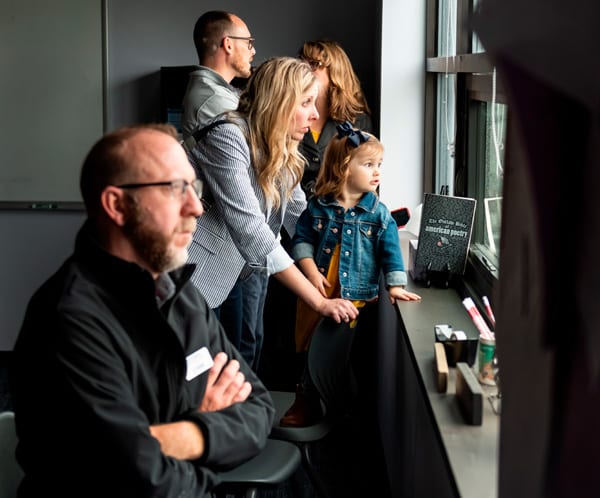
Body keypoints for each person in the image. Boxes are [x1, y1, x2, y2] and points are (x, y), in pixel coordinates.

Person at [9, 124, 274, 497]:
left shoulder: (181, 294)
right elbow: (145, 482)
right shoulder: (68, 321)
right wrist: (208, 427)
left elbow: (258, 409)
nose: (197, 207)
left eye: (194, 187)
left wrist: (185, 433)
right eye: (175, 188)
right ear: (117, 205)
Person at [186, 57, 359, 372]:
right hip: (189, 279)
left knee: (232, 366)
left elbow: (300, 217)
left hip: (230, 274)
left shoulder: (281, 146)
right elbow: (251, 229)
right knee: (196, 379)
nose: (316, 114)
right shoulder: (228, 136)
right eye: (306, 102)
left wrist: (355, 238)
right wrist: (317, 301)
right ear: (280, 101)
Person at [280, 121, 421, 427]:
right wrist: (309, 273)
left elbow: (390, 252)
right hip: (316, 292)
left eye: (379, 164)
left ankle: (342, 409)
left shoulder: (378, 213)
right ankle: (304, 399)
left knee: (342, 353)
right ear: (344, 167)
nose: (377, 172)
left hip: (353, 298)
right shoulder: (318, 207)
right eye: (369, 164)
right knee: (306, 345)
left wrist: (395, 286)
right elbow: (301, 239)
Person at [297, 39, 373, 199]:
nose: (304, 69)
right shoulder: (288, 114)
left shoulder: (357, 121)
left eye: (314, 64)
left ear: (336, 72)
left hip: (337, 213)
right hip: (291, 214)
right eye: (300, 63)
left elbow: (363, 177)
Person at [181, 10, 255, 140]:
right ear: (228, 45)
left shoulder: (218, 91)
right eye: (248, 42)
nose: (253, 51)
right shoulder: (215, 99)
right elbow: (259, 148)